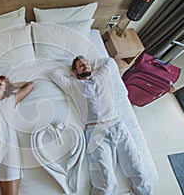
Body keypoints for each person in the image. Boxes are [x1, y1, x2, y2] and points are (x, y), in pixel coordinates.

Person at [48, 56, 155, 195]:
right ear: (75, 71)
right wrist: (71, 71)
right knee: (106, 182)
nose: (85, 66)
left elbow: (110, 61)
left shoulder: (101, 76)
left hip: (118, 125)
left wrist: (91, 63)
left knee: (138, 171)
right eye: (81, 66)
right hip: (96, 132)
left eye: (86, 63)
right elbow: (53, 74)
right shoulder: (72, 85)